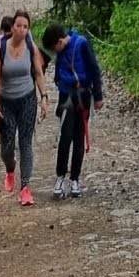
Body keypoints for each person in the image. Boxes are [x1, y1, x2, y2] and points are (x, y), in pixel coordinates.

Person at [0, 7, 47, 205]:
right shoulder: (0, 48)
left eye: (26, 27)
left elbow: (38, 72)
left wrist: (44, 96)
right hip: (6, 101)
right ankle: (10, 169)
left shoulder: (31, 46)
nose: (22, 30)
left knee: (26, 143)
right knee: (7, 146)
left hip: (27, 99)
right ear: (12, 27)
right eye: (19, 26)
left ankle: (26, 188)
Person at [43, 19, 104, 198]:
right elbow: (58, 72)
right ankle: (60, 176)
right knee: (65, 137)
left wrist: (98, 96)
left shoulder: (82, 44)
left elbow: (94, 69)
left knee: (79, 138)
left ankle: (75, 179)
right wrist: (61, 83)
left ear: (59, 42)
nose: (55, 53)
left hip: (83, 96)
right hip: (66, 97)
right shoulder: (62, 51)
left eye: (55, 48)